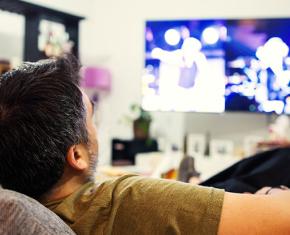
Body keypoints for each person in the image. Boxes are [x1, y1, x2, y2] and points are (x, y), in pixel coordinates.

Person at [0, 54, 290, 235]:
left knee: (240, 175)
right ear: (76, 155)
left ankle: (197, 181)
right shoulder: (126, 200)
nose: (95, 128)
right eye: (92, 117)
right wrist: (271, 196)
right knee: (278, 162)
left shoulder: (32, 202)